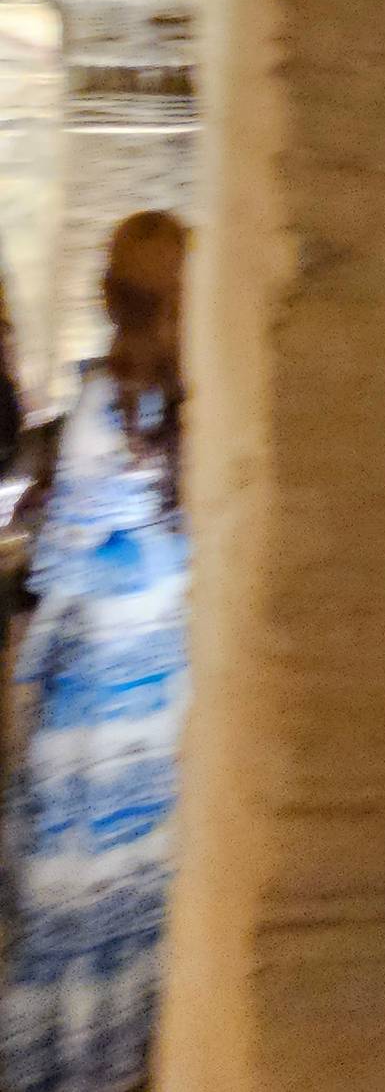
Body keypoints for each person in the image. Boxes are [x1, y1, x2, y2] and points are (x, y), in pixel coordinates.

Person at [2, 208, 190, 1092]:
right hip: (155, 683)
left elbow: (65, 556)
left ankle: (82, 1061)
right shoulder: (184, 405)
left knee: (86, 891)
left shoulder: (103, 409)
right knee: (134, 884)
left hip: (102, 694)